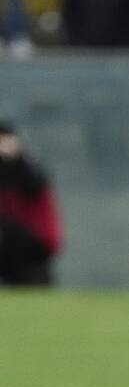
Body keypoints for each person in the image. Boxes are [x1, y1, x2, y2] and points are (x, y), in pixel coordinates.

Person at [0, 122, 62, 286]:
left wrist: (12, 160)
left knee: (8, 232)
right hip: (10, 241)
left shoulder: (28, 165)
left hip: (37, 239)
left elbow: (33, 183)